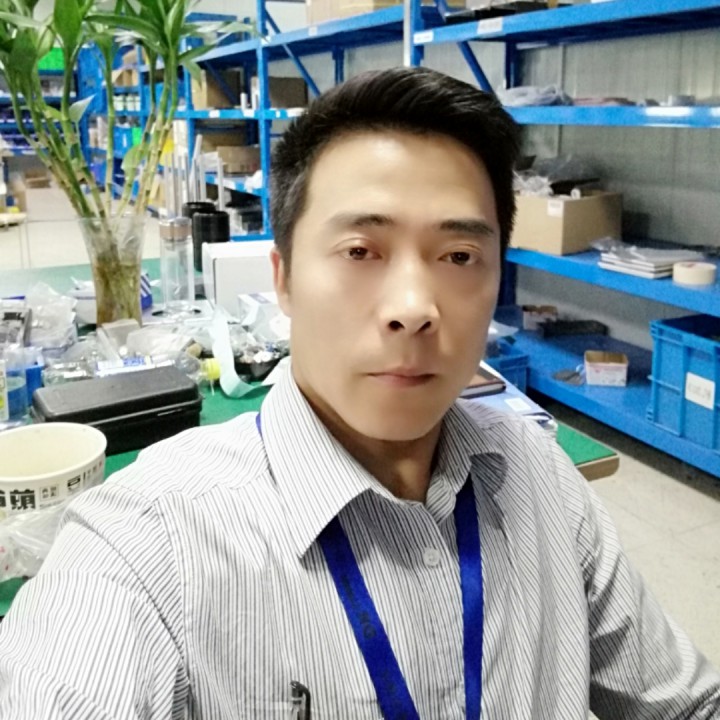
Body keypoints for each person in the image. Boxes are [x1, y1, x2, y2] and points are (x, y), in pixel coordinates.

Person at [0, 66, 718, 720]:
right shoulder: (148, 546)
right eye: (360, 251)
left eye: (459, 255)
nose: (413, 307)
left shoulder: (541, 479)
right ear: (282, 279)